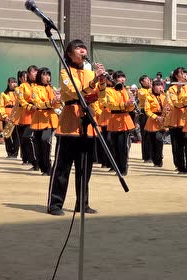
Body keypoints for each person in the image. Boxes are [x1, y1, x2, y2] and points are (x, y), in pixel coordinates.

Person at [47, 39, 106, 216]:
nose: (82, 50)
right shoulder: (65, 72)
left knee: (85, 168)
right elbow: (74, 91)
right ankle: (55, 204)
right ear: (70, 54)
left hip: (88, 120)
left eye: (84, 48)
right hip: (69, 121)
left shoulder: (90, 73)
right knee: (62, 167)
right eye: (78, 48)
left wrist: (102, 81)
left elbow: (100, 95)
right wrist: (93, 82)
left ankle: (83, 203)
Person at [31, 67, 60, 175]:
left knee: (45, 140)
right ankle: (43, 167)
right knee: (37, 144)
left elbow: (58, 104)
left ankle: (48, 167)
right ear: (39, 76)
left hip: (50, 118)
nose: (47, 77)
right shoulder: (35, 89)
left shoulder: (53, 88)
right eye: (44, 74)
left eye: (48, 74)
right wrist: (50, 102)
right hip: (39, 118)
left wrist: (58, 99)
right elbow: (37, 103)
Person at [105, 71, 136, 176]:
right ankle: (116, 167)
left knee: (123, 146)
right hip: (114, 119)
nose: (122, 79)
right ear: (114, 79)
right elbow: (111, 104)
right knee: (114, 145)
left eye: (123, 77)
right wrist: (124, 104)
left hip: (124, 120)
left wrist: (131, 103)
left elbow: (131, 108)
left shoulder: (127, 91)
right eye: (119, 77)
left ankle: (123, 168)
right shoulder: (109, 90)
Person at [164, 67, 187, 174]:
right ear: (176, 76)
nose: (184, 75)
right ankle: (180, 166)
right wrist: (179, 90)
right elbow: (174, 102)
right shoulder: (172, 89)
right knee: (177, 145)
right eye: (181, 73)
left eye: (185, 73)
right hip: (176, 119)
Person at [17, 65, 38, 169]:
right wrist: (30, 106)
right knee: (27, 138)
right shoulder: (23, 86)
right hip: (27, 115)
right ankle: (33, 160)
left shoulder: (39, 85)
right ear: (28, 74)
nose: (35, 74)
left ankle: (37, 162)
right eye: (33, 72)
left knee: (35, 139)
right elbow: (21, 100)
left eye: (36, 72)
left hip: (39, 115)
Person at [144, 79, 166, 167]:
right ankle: (155, 160)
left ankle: (159, 157)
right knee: (152, 141)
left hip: (163, 119)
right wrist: (156, 117)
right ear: (153, 87)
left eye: (161, 85)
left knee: (159, 139)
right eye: (157, 85)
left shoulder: (164, 96)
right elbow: (147, 110)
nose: (160, 87)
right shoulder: (149, 97)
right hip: (153, 120)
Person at [0, 77, 20, 158]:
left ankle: (15, 152)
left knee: (15, 135)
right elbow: (1, 106)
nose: (14, 84)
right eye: (12, 82)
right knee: (7, 135)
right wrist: (5, 116)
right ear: (8, 83)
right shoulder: (3, 94)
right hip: (7, 116)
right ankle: (9, 152)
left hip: (16, 116)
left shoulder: (18, 93)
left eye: (15, 82)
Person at [137, 75, 152, 162]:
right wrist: (151, 88)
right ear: (142, 82)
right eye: (146, 80)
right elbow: (147, 96)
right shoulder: (140, 91)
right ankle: (146, 156)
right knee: (145, 134)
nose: (148, 80)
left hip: (152, 112)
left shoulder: (151, 89)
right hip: (144, 113)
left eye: (148, 79)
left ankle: (152, 155)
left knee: (152, 134)